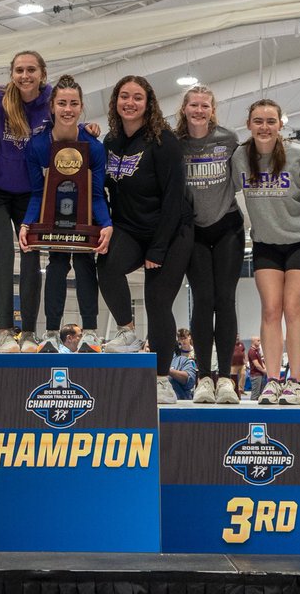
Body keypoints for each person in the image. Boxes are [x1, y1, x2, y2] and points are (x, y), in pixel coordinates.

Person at [96, 75, 193, 405]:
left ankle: (162, 379)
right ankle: (127, 330)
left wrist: (159, 247)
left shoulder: (163, 141)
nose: (130, 103)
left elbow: (174, 197)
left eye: (138, 97)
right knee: (106, 264)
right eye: (124, 96)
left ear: (148, 103)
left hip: (172, 230)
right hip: (130, 229)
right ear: (115, 102)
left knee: (157, 301)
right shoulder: (111, 142)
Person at [18, 74, 112, 344]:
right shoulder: (37, 147)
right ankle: (49, 333)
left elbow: (96, 194)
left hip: (85, 220)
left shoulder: (94, 147)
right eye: (62, 103)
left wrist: (106, 223)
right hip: (53, 222)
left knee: (85, 266)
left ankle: (91, 332)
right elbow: (38, 193)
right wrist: (26, 223)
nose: (67, 109)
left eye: (73, 103)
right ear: (52, 107)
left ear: (81, 107)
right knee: (56, 268)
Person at [231, 99, 300, 406]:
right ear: (249, 124)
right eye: (258, 121)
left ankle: (295, 380)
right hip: (265, 243)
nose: (264, 127)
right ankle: (272, 380)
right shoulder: (241, 157)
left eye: (270, 121)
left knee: (293, 309)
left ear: (281, 124)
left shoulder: (299, 156)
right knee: (270, 310)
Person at [175, 85, 243, 406]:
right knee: (203, 299)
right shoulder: (176, 144)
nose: (199, 110)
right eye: (194, 105)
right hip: (195, 231)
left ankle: (226, 379)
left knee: (225, 299)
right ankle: (204, 377)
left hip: (228, 225)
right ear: (185, 109)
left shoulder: (228, 140)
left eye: (205, 105)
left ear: (212, 109)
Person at [0, 51, 50, 352]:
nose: (25, 76)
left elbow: (68, 125)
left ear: (42, 74)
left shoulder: (51, 99)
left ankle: (29, 333)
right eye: (19, 70)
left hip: (32, 193)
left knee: (31, 255)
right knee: (2, 255)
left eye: (31, 70)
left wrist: (87, 131)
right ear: (12, 73)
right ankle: (4, 330)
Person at [168, 329, 197, 400]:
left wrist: (166, 370)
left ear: (189, 337)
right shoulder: (178, 353)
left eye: (184, 338)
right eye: (180, 339)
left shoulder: (184, 359)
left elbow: (190, 381)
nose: (182, 341)